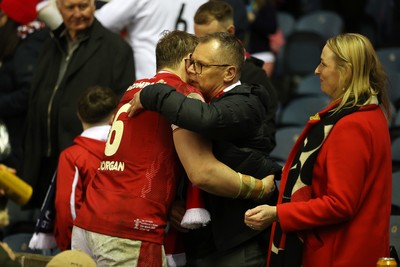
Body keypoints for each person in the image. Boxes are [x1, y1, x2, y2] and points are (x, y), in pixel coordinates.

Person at [71, 30, 274, 267]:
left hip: (89, 219)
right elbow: (202, 172)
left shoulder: (132, 90)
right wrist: (259, 188)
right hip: (131, 226)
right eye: (196, 64)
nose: (196, 72)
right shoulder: (183, 96)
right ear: (188, 62)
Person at [128, 32, 281, 267]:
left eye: (200, 65)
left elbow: (207, 120)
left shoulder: (247, 102)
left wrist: (153, 91)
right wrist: (175, 206)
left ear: (229, 72)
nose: (191, 71)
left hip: (238, 238)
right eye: (191, 63)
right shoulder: (199, 100)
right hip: (200, 241)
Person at [244, 33, 393, 267]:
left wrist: (279, 214)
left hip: (340, 254)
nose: (316, 70)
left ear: (346, 70)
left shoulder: (352, 125)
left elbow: (339, 204)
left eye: (323, 63)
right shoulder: (368, 113)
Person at [22, 0, 135, 209]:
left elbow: (122, 110)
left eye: (83, 6)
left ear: (93, 5)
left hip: (84, 160)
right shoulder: (51, 44)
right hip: (41, 157)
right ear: (58, 7)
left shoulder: (116, 49)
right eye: (70, 7)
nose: (77, 13)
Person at [28, 85, 118, 251]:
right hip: (120, 241)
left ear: (78, 115)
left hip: (83, 246)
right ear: (114, 117)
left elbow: (66, 207)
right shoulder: (125, 151)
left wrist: (69, 245)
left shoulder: (73, 156)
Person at [192, 0, 279, 152]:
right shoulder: (192, 68)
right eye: (198, 39)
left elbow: (266, 140)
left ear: (230, 32)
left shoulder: (255, 76)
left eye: (209, 38)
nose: (201, 46)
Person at [0, 0, 48, 176]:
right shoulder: (26, 42)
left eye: (2, 16)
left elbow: (27, 93)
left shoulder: (27, 48)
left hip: (17, 143)